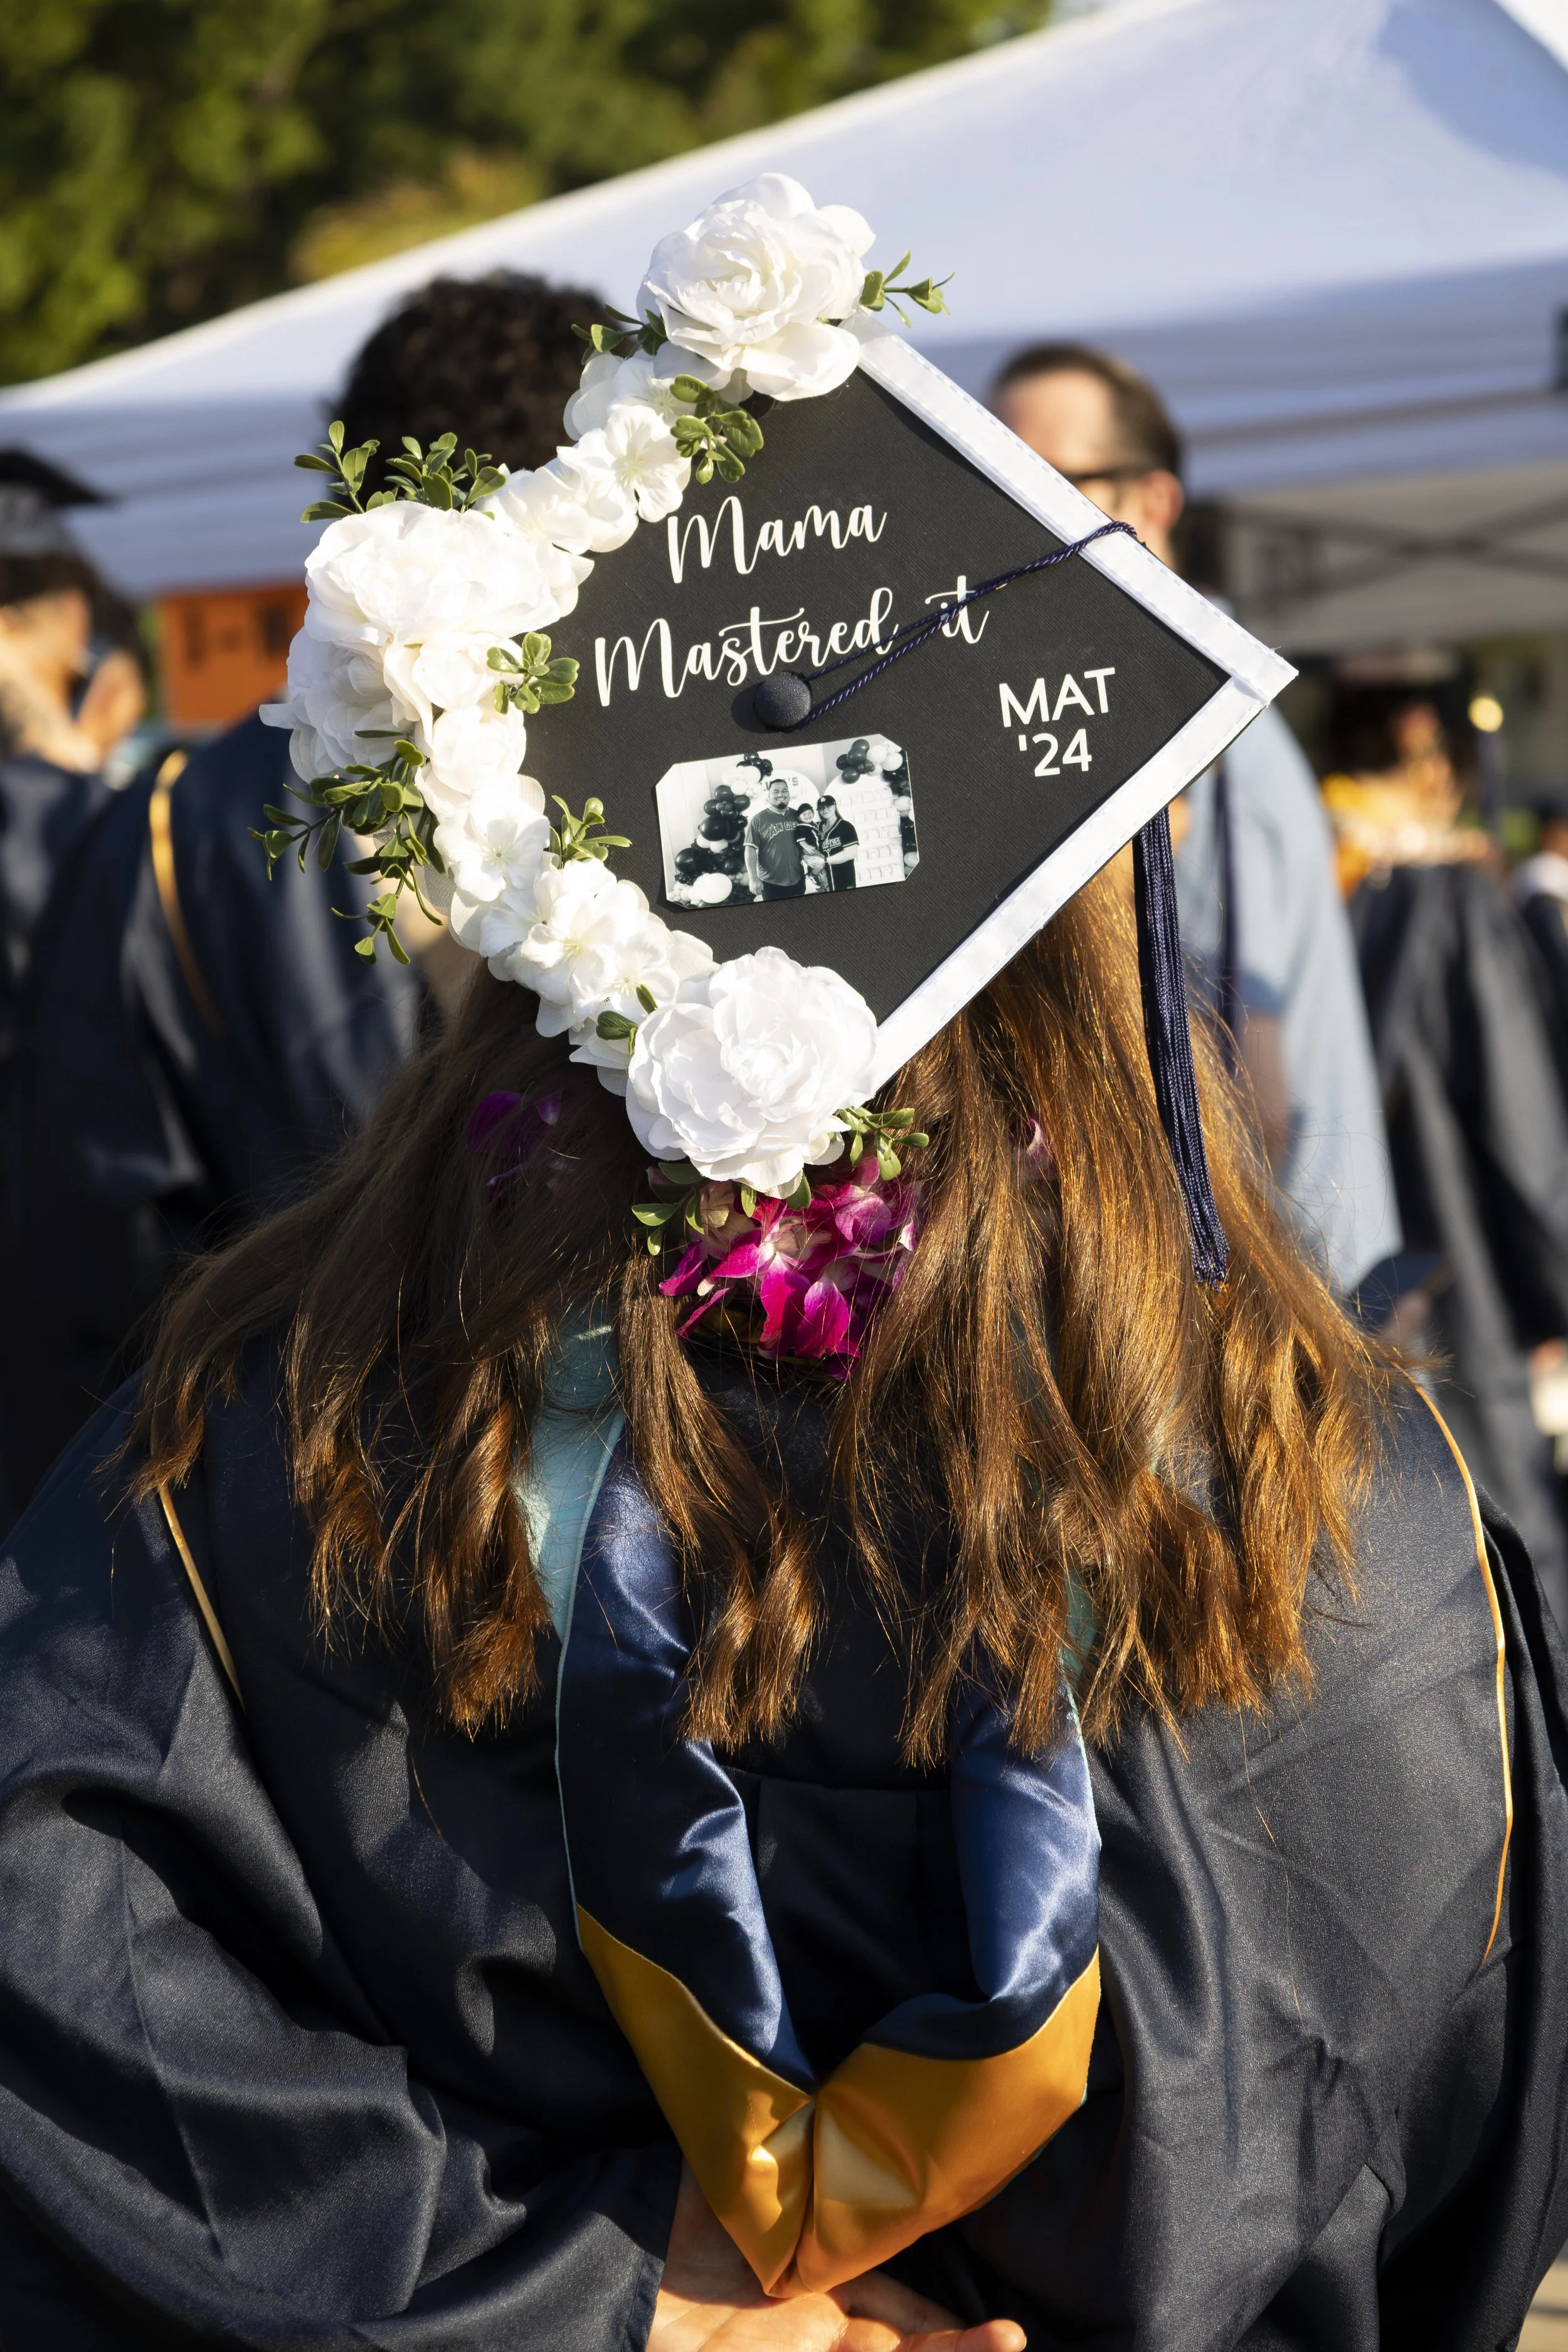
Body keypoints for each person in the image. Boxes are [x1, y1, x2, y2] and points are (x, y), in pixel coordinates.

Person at [0, 852, 1562, 2345]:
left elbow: (62, 1989)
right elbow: (1473, 2168)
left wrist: (564, 2285)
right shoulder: (1353, 1508)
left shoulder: (288, 1441)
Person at [0, 272, 602, 1517]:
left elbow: (93, 1262)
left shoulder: (168, 831)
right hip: (684, 1546)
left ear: (354, 498)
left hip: (313, 1518)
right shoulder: (700, 776)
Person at [991, 344, 1402, 1301]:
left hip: (1269, 1306)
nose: (1005, 517)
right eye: (990, 480)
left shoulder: (1196, 728)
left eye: (1043, 480)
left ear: (1153, 505)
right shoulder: (1143, 705)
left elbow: (1245, 1080)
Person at [1324, 691, 1568, 1627]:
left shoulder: (1294, 873)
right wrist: (1553, 1286)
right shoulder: (1453, 898)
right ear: (1429, 768)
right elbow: (1523, 1127)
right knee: (1516, 1568)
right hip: (1464, 1277)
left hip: (1341, 1282)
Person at [746, 770, 809, 898]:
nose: (781, 794)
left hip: (798, 878)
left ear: (789, 794)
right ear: (768, 797)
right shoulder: (758, 819)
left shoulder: (798, 816)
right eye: (776, 791)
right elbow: (750, 849)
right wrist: (753, 878)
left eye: (784, 791)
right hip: (771, 883)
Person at [815, 793, 859, 889]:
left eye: (828, 806)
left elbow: (851, 853)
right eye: (821, 808)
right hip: (823, 881)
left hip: (844, 878)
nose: (825, 809)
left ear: (835, 806)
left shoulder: (846, 827)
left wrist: (825, 861)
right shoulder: (815, 828)